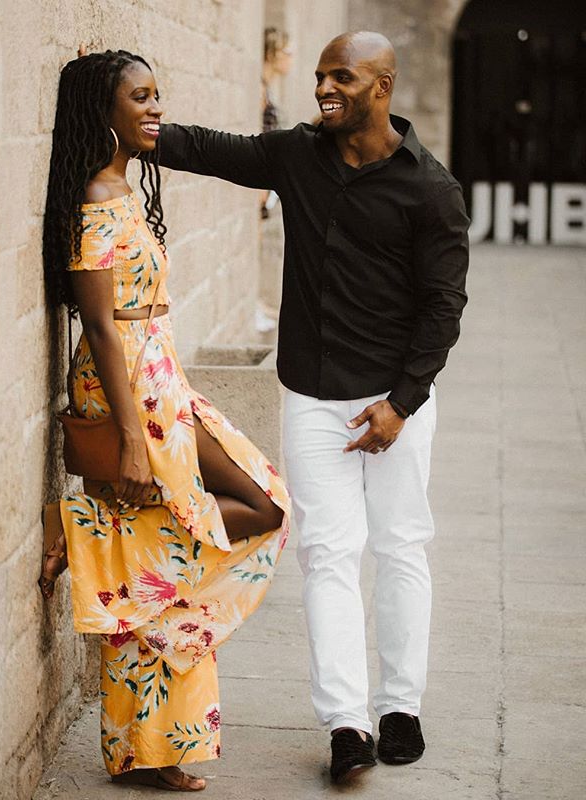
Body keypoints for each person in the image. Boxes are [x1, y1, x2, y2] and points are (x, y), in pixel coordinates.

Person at [156, 31, 469, 784]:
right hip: (314, 398)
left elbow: (443, 307)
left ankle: (400, 707)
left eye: (343, 77)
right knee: (329, 553)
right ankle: (347, 725)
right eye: (322, 75)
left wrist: (400, 403)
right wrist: (137, 132)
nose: (325, 87)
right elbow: (213, 148)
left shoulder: (431, 189)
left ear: (383, 87)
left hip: (395, 403)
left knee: (398, 547)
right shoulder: (298, 155)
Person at [40, 49, 289, 792]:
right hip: (130, 395)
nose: (154, 109)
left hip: (159, 381)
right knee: (191, 545)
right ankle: (150, 754)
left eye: (158, 95)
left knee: (257, 508)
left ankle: (83, 538)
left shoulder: (122, 186)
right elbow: (104, 327)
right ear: (103, 110)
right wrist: (128, 439)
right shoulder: (93, 194)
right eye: (139, 97)